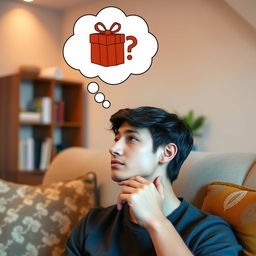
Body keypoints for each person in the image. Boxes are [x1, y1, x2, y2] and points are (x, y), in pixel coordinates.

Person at [62, 106, 242, 256]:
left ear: (167, 153)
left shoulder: (209, 232)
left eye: (132, 139)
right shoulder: (93, 223)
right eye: (117, 139)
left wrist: (156, 221)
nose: (113, 148)